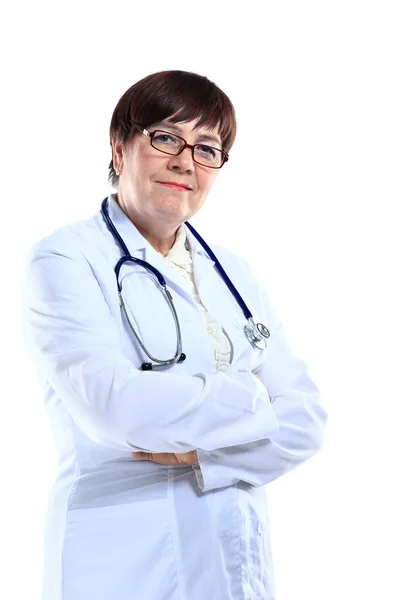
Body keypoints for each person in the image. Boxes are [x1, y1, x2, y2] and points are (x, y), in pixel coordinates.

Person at [22, 69, 328, 600]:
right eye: (166, 137)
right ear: (119, 149)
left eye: (207, 148)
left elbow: (307, 422)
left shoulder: (234, 273)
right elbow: (113, 408)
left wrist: (205, 456)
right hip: (122, 558)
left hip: (233, 557)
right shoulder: (67, 258)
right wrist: (255, 397)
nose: (186, 161)